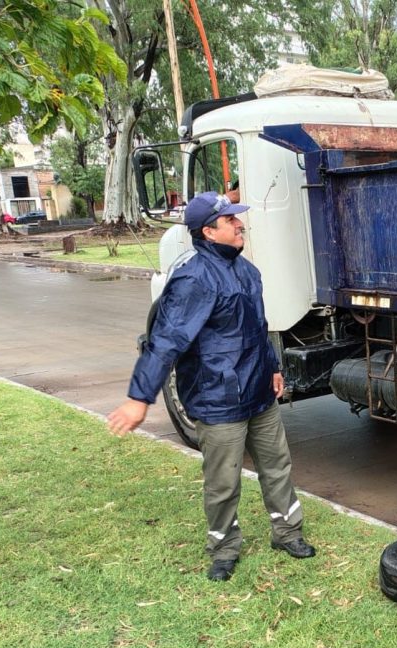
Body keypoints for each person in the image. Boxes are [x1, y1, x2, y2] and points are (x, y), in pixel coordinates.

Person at [107, 191, 316, 582]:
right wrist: (139, 397)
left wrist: (272, 367)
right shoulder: (193, 279)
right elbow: (165, 341)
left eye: (238, 218)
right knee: (223, 483)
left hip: (258, 393)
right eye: (231, 221)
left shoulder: (246, 270)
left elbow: (258, 329)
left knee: (277, 468)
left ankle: (287, 533)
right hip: (218, 400)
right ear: (208, 232)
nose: (240, 224)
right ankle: (224, 549)